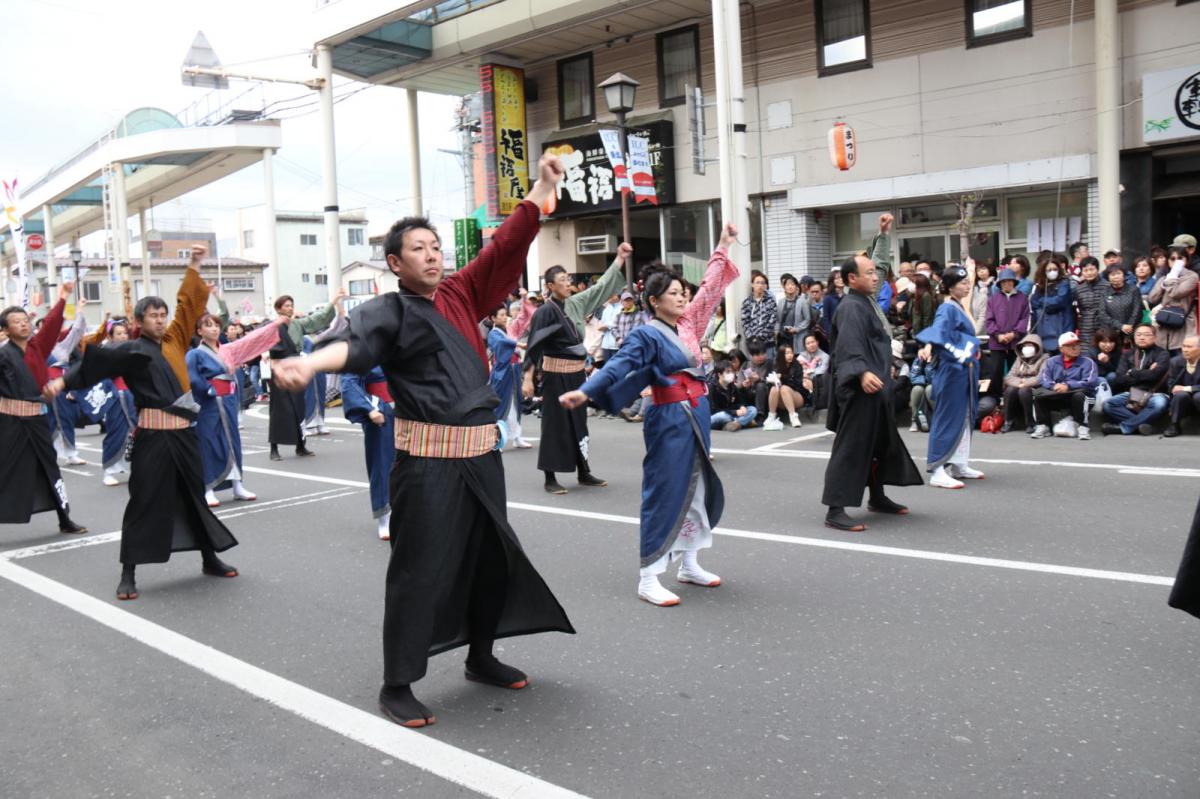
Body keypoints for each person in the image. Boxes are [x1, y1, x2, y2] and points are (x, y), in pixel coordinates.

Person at [270, 154, 574, 729]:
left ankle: (481, 655)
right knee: (420, 568)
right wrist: (310, 364)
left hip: (481, 456)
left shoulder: (462, 294)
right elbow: (353, 346)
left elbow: (504, 248)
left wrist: (539, 189)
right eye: (419, 248)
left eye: (436, 245)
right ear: (394, 262)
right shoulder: (385, 311)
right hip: (427, 465)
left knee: (490, 557)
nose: (433, 254)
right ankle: (397, 682)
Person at [45, 246, 238, 600]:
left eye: (162, 314)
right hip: (153, 437)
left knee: (192, 496)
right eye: (152, 315)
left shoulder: (177, 339)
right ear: (139, 321)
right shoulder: (131, 351)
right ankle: (128, 572)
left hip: (184, 436)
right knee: (144, 500)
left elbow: (188, 306)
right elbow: (95, 363)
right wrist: (61, 382)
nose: (160, 319)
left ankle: (209, 558)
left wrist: (193, 264)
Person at [558, 263, 727, 607]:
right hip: (668, 417)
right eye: (675, 294)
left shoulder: (687, 325)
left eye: (684, 293)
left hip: (696, 411)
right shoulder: (645, 334)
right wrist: (588, 391)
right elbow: (620, 365)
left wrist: (723, 247)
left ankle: (690, 563)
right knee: (664, 490)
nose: (683, 298)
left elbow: (711, 289)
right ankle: (648, 576)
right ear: (654, 300)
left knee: (697, 487)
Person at [821, 254, 923, 531]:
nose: (876, 276)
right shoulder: (851, 307)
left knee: (880, 445)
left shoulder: (865, 302)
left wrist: (884, 233)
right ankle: (835, 508)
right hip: (860, 388)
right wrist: (862, 372)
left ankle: (877, 497)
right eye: (869, 273)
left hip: (877, 387)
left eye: (875, 272)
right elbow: (849, 345)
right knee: (852, 447)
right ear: (852, 279)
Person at [525, 245, 630, 494]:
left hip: (576, 374)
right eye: (561, 280)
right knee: (554, 424)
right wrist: (527, 378)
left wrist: (619, 259)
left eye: (568, 279)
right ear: (550, 285)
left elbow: (600, 288)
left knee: (579, 422)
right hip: (554, 375)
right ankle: (549, 477)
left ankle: (583, 471)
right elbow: (534, 346)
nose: (567, 283)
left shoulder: (575, 303)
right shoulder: (544, 312)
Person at [0, 281, 87, 535]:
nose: (24, 323)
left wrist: (63, 297)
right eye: (16, 321)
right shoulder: (3, 355)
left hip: (38, 422)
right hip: (9, 424)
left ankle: (64, 518)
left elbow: (50, 325)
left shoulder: (38, 347)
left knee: (50, 468)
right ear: (4, 329)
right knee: (4, 471)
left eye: (25, 319)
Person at [186, 312, 272, 507]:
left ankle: (237, 484)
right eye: (208, 325)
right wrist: (208, 389)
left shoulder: (226, 350)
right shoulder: (195, 354)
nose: (214, 328)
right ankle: (207, 488)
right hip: (209, 403)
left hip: (228, 400)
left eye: (216, 325)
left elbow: (250, 343)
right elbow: (192, 377)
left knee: (232, 441)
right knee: (209, 442)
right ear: (199, 331)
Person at [916, 265, 985, 490]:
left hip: (965, 369)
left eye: (967, 282)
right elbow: (939, 332)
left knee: (966, 415)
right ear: (950, 286)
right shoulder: (947, 308)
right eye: (963, 283)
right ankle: (937, 468)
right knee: (948, 417)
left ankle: (958, 463)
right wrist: (928, 345)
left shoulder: (958, 306)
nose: (967, 286)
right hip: (952, 370)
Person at [266, 290, 344, 461]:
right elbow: (261, 344)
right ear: (278, 309)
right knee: (278, 410)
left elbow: (318, 319)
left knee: (298, 408)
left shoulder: (297, 324)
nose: (290, 308)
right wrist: (266, 356)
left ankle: (301, 446)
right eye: (286, 305)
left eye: (291, 305)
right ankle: (274, 448)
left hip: (296, 366)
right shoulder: (271, 327)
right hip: (279, 368)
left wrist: (333, 301)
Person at [340, 366, 395, 539]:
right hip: (381, 409)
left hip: (408, 409)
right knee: (381, 463)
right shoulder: (366, 348)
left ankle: (407, 512)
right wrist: (369, 409)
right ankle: (384, 517)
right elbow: (349, 381)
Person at [1100, 323, 1171, 436]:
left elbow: (1155, 376)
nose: (1142, 337)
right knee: (1108, 404)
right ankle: (1142, 426)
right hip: (1133, 393)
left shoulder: (1162, 354)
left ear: (1155, 337)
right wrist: (1147, 373)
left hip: (1155, 393)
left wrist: (1132, 373)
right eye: (1138, 335)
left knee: (1159, 403)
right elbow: (1120, 378)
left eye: (1146, 334)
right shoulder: (1128, 354)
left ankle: (1125, 427)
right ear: (1134, 337)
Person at [1030, 331, 1098, 440]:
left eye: (1077, 344)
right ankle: (1044, 426)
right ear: (1061, 348)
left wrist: (1068, 385)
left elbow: (1090, 381)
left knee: (1080, 395)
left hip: (1082, 396)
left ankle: (1083, 426)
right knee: (1038, 396)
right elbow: (1043, 379)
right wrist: (1054, 386)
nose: (1075, 348)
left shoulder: (1088, 362)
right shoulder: (1051, 361)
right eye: (1070, 345)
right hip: (1058, 394)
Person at [486, 304, 532, 449]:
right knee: (500, 405)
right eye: (501, 315)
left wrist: (524, 300)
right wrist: (517, 343)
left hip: (514, 370)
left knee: (516, 403)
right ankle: (496, 440)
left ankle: (517, 436)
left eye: (505, 314)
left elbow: (524, 318)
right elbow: (500, 344)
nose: (505, 317)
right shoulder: (493, 334)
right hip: (502, 373)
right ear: (493, 318)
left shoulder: (509, 330)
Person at [98, 320, 137, 486]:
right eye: (118, 333)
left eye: (124, 333)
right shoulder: (106, 352)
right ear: (110, 336)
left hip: (133, 394)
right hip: (115, 396)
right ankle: (109, 470)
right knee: (116, 432)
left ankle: (136, 467)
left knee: (137, 432)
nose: (123, 336)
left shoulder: (132, 348)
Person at [985, 267, 1030, 394]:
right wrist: (997, 335)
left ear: (1014, 282)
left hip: (1016, 342)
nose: (1007, 284)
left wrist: (1014, 333)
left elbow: (1025, 318)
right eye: (1004, 282)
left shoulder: (1022, 298)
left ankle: (1014, 399)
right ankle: (995, 400)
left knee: (1016, 372)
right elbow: (989, 320)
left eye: (1009, 281)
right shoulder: (993, 299)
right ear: (1000, 284)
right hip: (996, 342)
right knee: (995, 372)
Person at [1148, 245, 1198, 357]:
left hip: (1183, 325)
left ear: (1187, 260)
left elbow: (1176, 293)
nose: (1176, 262)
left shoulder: (1192, 277)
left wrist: (1172, 277)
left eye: (1180, 258)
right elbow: (1152, 298)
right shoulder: (1165, 277)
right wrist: (1163, 283)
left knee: (1181, 360)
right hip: (1164, 324)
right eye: (1172, 259)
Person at [1001, 333, 1047, 433]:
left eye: (1030, 345)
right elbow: (1009, 377)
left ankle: (1030, 423)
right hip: (1019, 385)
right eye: (1025, 346)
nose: (1027, 348)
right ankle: (1008, 421)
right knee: (1010, 390)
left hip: (1035, 387)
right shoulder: (1019, 359)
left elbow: (1040, 378)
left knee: (1024, 391)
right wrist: (1020, 383)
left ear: (1037, 346)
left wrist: (1024, 383)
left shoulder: (1045, 359)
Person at [1030, 253, 1074, 355]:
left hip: (1062, 327)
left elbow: (1059, 301)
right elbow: (1034, 302)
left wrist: (1042, 301)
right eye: (1049, 270)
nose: (1052, 272)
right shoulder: (1039, 285)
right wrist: (1044, 301)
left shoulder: (1064, 283)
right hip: (1044, 330)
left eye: (1055, 269)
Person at [762, 344, 807, 430]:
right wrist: (772, 380)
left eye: (791, 353)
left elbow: (797, 384)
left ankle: (793, 416)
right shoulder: (775, 364)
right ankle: (771, 415)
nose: (790, 355)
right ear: (781, 355)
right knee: (774, 388)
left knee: (784, 389)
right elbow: (766, 381)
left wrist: (782, 377)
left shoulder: (796, 365)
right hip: (780, 400)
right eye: (786, 353)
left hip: (796, 396)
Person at [1163, 334, 1200, 437]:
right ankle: (1174, 425)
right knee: (1180, 395)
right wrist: (1176, 389)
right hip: (1185, 399)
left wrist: (1188, 388)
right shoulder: (1176, 362)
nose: (1185, 350)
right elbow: (1171, 384)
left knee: (1198, 396)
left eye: (1189, 347)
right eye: (1184, 346)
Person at [708, 360, 757, 431]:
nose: (731, 374)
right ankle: (743, 421)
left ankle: (736, 423)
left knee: (752, 409)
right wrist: (734, 412)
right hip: (716, 416)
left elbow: (738, 401)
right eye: (727, 372)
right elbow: (714, 410)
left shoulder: (732, 386)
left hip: (731, 414)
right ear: (719, 374)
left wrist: (742, 407)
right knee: (723, 416)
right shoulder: (712, 388)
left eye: (732, 372)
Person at [1072, 257, 1108, 346]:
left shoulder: (1107, 286)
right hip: (1085, 329)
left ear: (1097, 269)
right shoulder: (1078, 289)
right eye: (1085, 270)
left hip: (1104, 329)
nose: (1089, 273)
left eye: (1092, 269)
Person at [740, 270, 777, 357]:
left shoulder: (771, 302)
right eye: (757, 283)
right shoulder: (747, 302)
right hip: (752, 343)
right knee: (753, 369)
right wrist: (752, 337)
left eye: (762, 283)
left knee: (769, 367)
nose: (760, 285)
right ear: (752, 285)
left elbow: (772, 321)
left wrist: (760, 337)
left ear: (765, 285)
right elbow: (745, 322)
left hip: (768, 342)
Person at [776, 273, 815, 354]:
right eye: (787, 285)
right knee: (784, 357)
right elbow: (778, 320)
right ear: (784, 287)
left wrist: (797, 329)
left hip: (798, 336)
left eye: (792, 284)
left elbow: (807, 319)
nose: (790, 287)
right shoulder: (781, 302)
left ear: (797, 287)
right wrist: (776, 331)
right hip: (783, 336)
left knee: (797, 357)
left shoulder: (802, 301)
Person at [1102, 264, 1142, 339]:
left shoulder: (1133, 290)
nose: (1116, 276)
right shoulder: (1104, 292)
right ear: (1108, 277)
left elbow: (1137, 310)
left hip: (1132, 330)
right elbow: (1102, 314)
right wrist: (1120, 326)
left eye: (1118, 273)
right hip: (1112, 332)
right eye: (1112, 274)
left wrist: (1130, 326)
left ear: (1124, 275)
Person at [797, 332, 830, 411]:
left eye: (813, 342)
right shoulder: (801, 356)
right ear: (805, 346)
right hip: (803, 379)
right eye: (808, 343)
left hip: (818, 380)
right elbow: (797, 371)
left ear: (817, 342)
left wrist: (808, 376)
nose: (811, 345)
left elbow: (822, 370)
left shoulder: (825, 356)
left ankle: (812, 401)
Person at [908, 274, 938, 338]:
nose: (910, 285)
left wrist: (926, 334)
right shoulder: (913, 296)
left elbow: (927, 316)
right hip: (916, 331)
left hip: (923, 332)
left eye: (912, 282)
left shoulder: (926, 296)